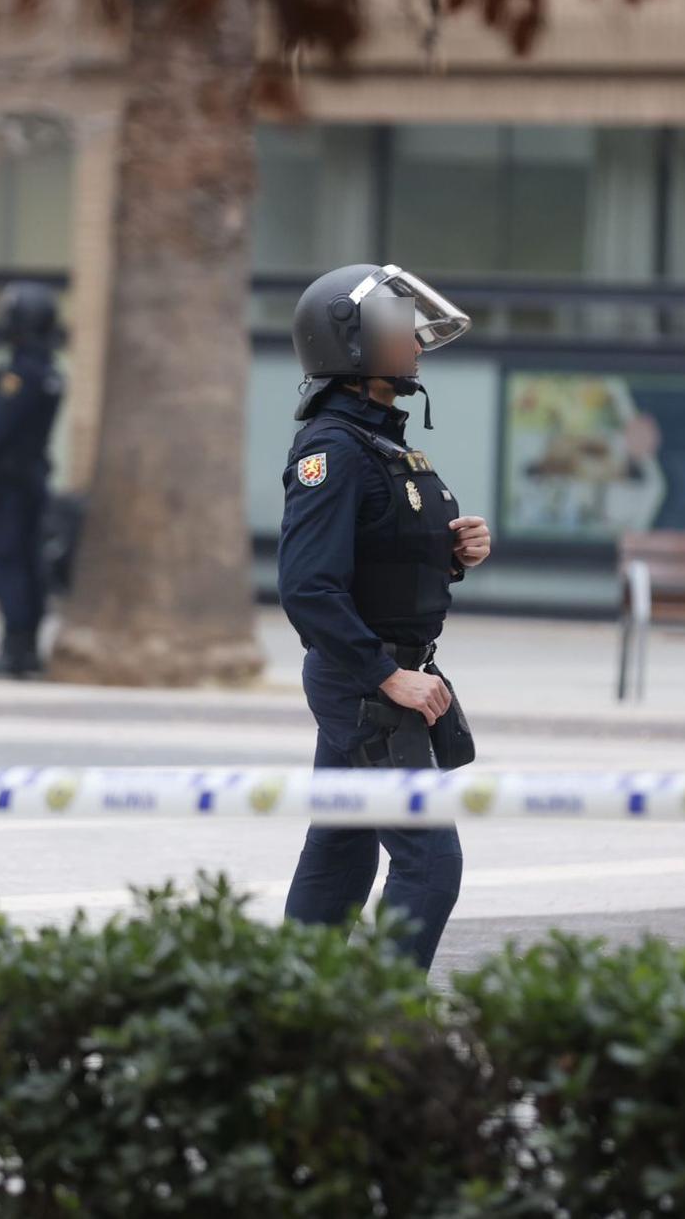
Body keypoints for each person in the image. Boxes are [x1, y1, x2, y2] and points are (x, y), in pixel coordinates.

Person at [277, 262, 493, 969]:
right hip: (365, 683)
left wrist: (454, 550)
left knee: (340, 854)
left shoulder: (382, 439)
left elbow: (380, 554)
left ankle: (289, 1012)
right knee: (431, 864)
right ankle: (383, 1025)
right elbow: (309, 588)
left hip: (378, 676)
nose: (417, 342)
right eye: (400, 329)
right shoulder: (333, 450)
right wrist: (387, 678)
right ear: (355, 345)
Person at [0, 282, 65, 678]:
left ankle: (14, 651)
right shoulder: (50, 372)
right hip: (32, 480)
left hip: (9, 486)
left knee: (10, 564)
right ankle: (25, 649)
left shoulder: (24, 374)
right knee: (29, 565)